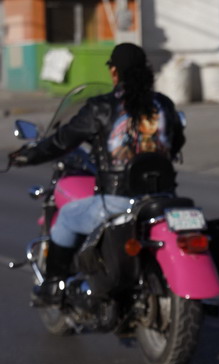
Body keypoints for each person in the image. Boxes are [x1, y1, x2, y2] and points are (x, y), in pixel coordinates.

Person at [9, 43, 185, 305]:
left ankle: (54, 285)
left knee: (67, 217)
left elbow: (62, 140)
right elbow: (177, 142)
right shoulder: (163, 104)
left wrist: (27, 155)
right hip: (162, 198)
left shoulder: (102, 107)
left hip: (119, 200)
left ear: (114, 73)